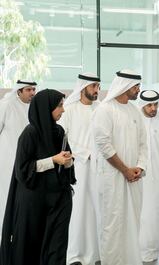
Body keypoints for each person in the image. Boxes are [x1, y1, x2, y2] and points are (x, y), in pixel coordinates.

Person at [0, 89, 75, 265]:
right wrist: (53, 160)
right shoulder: (30, 134)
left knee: (56, 246)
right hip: (34, 202)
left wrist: (68, 162)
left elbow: (67, 165)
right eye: (59, 106)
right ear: (45, 108)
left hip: (58, 200)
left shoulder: (59, 131)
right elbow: (23, 170)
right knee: (32, 247)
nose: (63, 110)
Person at [92, 69, 147, 265]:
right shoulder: (105, 110)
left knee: (133, 221)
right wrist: (125, 170)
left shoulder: (135, 112)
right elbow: (103, 144)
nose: (138, 90)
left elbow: (143, 143)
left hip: (134, 178)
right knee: (112, 223)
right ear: (125, 86)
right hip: (112, 178)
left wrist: (139, 167)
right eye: (136, 86)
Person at [59, 73, 101, 265]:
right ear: (83, 87)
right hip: (77, 168)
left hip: (99, 169)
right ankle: (74, 255)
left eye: (98, 86)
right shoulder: (69, 109)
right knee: (78, 211)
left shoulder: (100, 110)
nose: (96, 90)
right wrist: (86, 153)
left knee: (96, 210)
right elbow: (63, 139)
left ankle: (95, 255)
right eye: (93, 86)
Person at [137, 90, 159, 262]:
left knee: (156, 213)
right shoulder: (134, 119)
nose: (153, 108)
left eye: (156, 104)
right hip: (138, 174)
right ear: (142, 105)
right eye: (149, 105)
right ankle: (137, 250)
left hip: (158, 174)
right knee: (140, 212)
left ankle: (152, 252)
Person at [0, 80, 37, 238]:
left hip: (27, 162)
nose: (32, 93)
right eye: (28, 90)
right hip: (8, 160)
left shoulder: (34, 107)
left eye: (34, 89)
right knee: (6, 196)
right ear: (19, 91)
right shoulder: (6, 105)